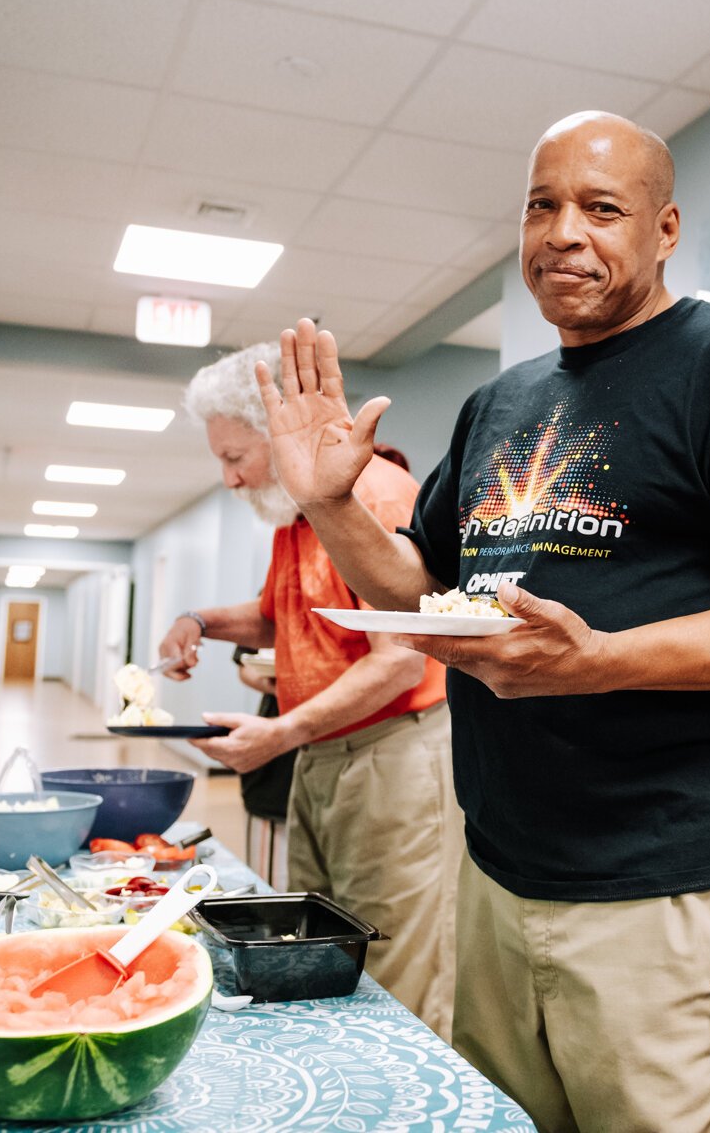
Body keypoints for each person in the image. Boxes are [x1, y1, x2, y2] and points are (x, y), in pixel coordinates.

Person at [253, 111, 710, 1132]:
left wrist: (601, 660)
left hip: (683, 890)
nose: (563, 233)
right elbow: (425, 595)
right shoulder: (500, 402)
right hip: (501, 876)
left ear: (665, 227)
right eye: (540, 206)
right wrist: (328, 502)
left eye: (600, 207)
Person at [158, 344, 463, 1038]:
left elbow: (400, 662)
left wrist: (279, 734)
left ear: (277, 433)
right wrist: (199, 620)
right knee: (321, 936)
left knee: (388, 952)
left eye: (236, 458)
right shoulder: (297, 513)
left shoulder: (371, 495)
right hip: (323, 753)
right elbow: (278, 616)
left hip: (393, 754)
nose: (230, 479)